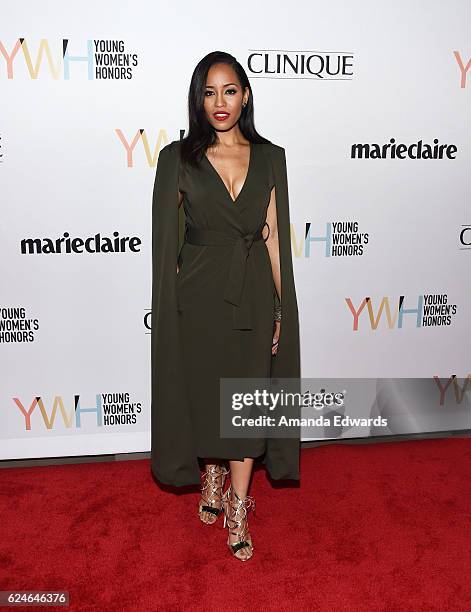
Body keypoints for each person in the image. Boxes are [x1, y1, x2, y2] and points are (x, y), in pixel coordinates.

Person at [150, 50, 301, 561]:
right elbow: (167, 242)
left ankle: (238, 503)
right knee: (207, 395)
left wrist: (283, 309)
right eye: (209, 92)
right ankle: (210, 473)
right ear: (199, 99)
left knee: (248, 403)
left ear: (246, 96)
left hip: (254, 294)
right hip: (198, 295)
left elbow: (276, 239)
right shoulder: (178, 158)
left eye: (230, 90)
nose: (220, 102)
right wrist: (171, 306)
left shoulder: (273, 156)